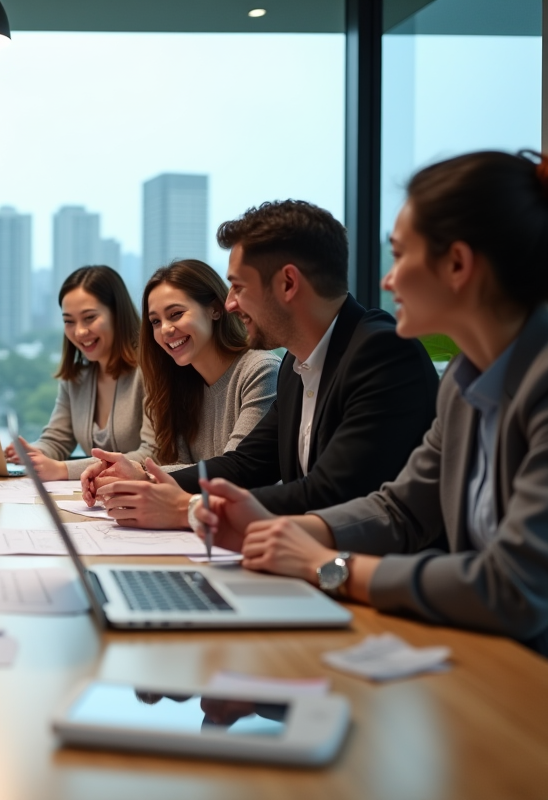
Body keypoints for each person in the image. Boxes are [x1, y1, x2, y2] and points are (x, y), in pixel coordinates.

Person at [196, 150, 548, 654]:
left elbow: (513, 586)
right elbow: (401, 508)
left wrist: (328, 566)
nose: (387, 278)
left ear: (457, 265)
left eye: (400, 255)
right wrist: (284, 530)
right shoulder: (465, 384)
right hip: (485, 654)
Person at [84, 200, 439, 530]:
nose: (231, 304)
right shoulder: (296, 365)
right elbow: (247, 464)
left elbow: (330, 492)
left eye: (238, 287)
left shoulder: (380, 353)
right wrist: (145, 478)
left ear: (288, 283)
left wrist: (186, 509)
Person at [86, 259, 278, 478]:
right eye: (155, 322)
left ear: (215, 309)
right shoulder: (179, 382)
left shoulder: (261, 371)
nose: (165, 329)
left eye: (176, 314)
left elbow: (235, 469)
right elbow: (180, 465)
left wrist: (143, 476)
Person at [3, 265, 156, 480]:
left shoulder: (151, 370)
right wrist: (36, 453)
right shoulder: (77, 378)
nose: (79, 331)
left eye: (89, 318)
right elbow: (57, 439)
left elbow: (153, 455)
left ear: (117, 314)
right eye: (69, 321)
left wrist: (63, 470)